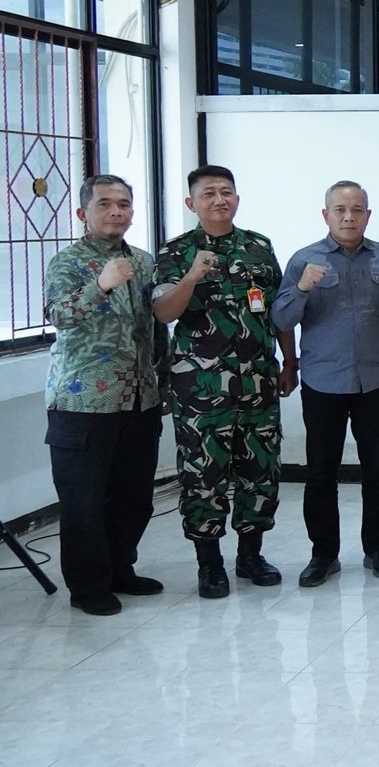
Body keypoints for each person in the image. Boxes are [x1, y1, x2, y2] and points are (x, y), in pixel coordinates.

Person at [153, 165, 295, 598]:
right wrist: (192, 275)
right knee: (204, 474)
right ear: (191, 203)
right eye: (209, 193)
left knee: (260, 471)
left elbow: (278, 308)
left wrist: (290, 360)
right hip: (201, 391)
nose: (219, 200)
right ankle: (209, 564)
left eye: (227, 192)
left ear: (237, 198)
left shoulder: (258, 246)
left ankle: (250, 556)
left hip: (258, 383)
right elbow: (164, 313)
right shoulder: (177, 251)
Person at [272, 181, 379, 587]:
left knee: (378, 470)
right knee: (320, 473)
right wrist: (302, 288)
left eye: (357, 209)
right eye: (340, 209)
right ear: (326, 215)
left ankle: (377, 547)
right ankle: (323, 554)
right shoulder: (305, 260)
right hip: (323, 382)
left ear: (368, 215)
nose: (348, 216)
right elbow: (282, 320)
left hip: (376, 381)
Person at [42, 175, 164, 615]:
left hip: (139, 399)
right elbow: (59, 315)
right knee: (84, 501)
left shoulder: (145, 261)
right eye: (105, 204)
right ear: (83, 213)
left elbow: (157, 325)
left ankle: (120, 570)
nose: (117, 211)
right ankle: (88, 586)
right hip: (81, 403)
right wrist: (102, 283)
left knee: (134, 498)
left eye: (124, 204)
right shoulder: (68, 262)